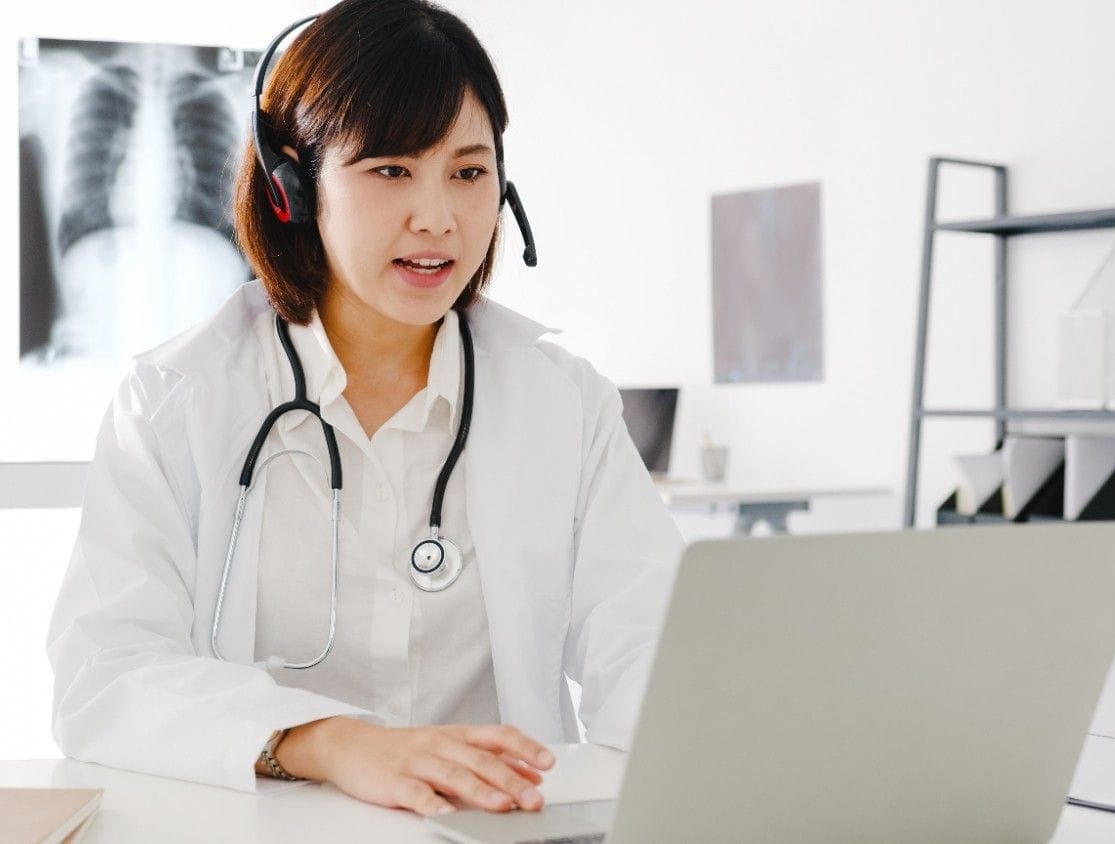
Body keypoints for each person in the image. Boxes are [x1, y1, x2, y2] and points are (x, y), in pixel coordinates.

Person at [45, 0, 683, 819]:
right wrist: (335, 741)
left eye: (468, 171)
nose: (439, 217)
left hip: (496, 834)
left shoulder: (564, 403)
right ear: (293, 188)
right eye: (390, 170)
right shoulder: (179, 401)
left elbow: (652, 648)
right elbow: (106, 674)